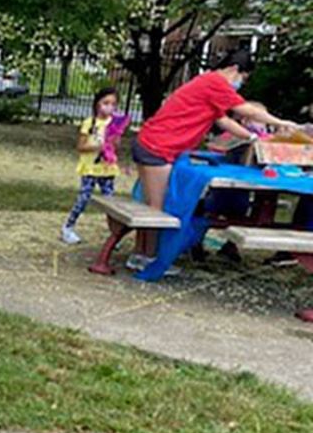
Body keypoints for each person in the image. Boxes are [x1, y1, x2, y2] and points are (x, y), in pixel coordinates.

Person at [129, 49, 300, 270]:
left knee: (151, 203)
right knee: (156, 207)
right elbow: (245, 109)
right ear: (236, 70)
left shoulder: (207, 83)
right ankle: (148, 258)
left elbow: (223, 121)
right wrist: (281, 122)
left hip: (154, 143)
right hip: (158, 146)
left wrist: (252, 137)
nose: (241, 84)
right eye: (243, 78)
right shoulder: (215, 82)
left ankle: (142, 254)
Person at [61, 87, 122, 244]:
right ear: (97, 104)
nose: (109, 107)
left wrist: (113, 142)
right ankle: (68, 227)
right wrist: (97, 147)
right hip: (90, 168)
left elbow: (117, 145)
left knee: (111, 202)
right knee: (84, 197)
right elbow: (80, 146)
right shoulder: (90, 123)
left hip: (107, 168)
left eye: (113, 104)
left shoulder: (114, 123)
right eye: (105, 103)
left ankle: (114, 236)